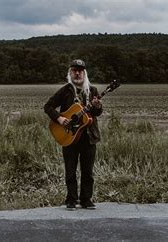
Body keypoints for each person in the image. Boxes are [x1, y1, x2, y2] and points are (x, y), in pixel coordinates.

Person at [44, 59, 103, 210]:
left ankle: (86, 200)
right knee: (70, 170)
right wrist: (59, 118)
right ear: (70, 73)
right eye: (74, 70)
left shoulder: (93, 91)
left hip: (88, 137)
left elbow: (97, 113)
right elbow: (48, 106)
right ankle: (71, 199)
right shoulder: (65, 90)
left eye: (80, 71)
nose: (77, 73)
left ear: (84, 73)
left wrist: (98, 106)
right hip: (68, 135)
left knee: (88, 171)